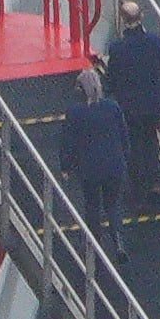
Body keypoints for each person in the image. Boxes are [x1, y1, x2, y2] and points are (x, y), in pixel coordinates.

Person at [60, 83, 133, 236]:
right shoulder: (112, 106)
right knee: (112, 205)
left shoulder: (75, 112)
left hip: (89, 169)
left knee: (92, 205)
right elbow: (123, 135)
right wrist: (125, 158)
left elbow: (68, 142)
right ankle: (118, 240)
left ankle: (95, 242)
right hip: (114, 165)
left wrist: (66, 167)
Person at [101, 0, 160, 158]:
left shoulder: (117, 48)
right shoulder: (156, 42)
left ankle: (137, 176)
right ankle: (152, 175)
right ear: (141, 16)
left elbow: (112, 78)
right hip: (154, 101)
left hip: (129, 104)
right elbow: (159, 68)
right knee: (151, 139)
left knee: (132, 141)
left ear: (123, 19)